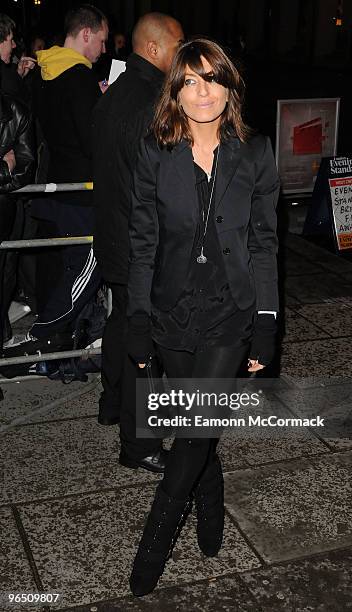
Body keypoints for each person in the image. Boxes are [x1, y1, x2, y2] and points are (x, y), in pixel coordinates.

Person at [126, 39, 279, 596]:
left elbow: (265, 244)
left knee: (190, 436)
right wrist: (138, 317)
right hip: (172, 311)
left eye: (213, 79)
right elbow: (142, 243)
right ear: (175, 91)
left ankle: (148, 558)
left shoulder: (255, 152)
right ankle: (210, 510)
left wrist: (266, 321)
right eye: (190, 81)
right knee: (199, 429)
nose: (203, 91)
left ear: (230, 87)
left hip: (230, 314)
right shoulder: (154, 152)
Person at [92, 13, 183, 472]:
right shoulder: (152, 101)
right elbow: (160, 187)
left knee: (121, 325)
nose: (181, 54)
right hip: (141, 245)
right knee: (144, 349)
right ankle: (140, 443)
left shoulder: (115, 92)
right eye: (177, 45)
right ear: (154, 48)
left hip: (113, 237)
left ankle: (112, 405)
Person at [16, 4, 109, 353]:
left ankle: (58, 338)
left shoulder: (40, 71)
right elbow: (90, 141)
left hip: (49, 185)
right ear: (86, 34)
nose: (103, 49)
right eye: (100, 40)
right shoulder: (80, 77)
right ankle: (45, 335)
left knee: (56, 264)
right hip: (80, 190)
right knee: (86, 264)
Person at [0, 86, 35, 351]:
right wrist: (4, 168)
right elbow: (13, 168)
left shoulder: (15, 113)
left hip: (5, 218)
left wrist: (11, 169)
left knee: (5, 280)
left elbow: (24, 168)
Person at [0, 14, 36, 101]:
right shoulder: (3, 75)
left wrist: (19, 74)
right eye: (11, 40)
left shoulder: (6, 76)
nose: (14, 45)